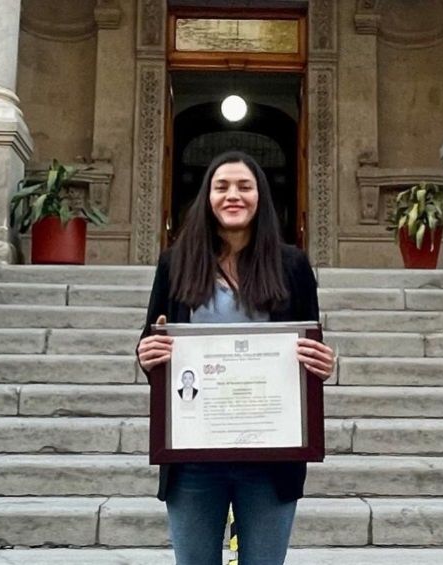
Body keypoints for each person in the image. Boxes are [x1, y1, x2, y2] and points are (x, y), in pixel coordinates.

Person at [136, 150, 335, 565]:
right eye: (221, 186)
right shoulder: (176, 264)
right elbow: (151, 344)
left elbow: (309, 348)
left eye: (244, 186)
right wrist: (147, 352)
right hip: (193, 455)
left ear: (260, 195)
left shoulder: (292, 266)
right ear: (207, 197)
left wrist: (321, 364)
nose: (233, 195)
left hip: (270, 455)